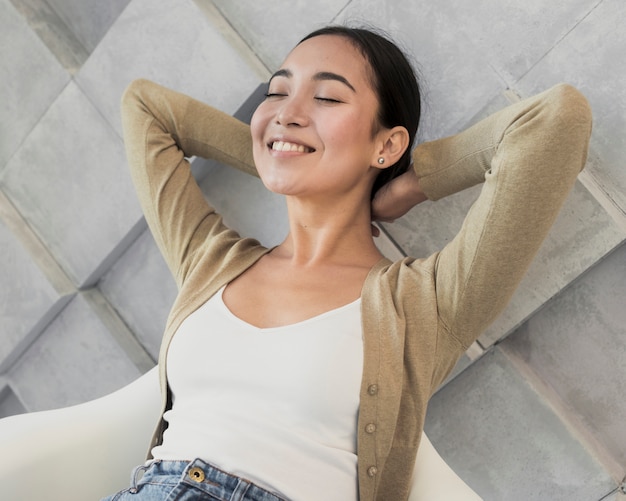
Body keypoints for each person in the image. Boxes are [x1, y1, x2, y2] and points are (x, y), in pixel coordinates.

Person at [105, 25, 592, 501]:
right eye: (277, 93)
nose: (287, 112)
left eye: (328, 99)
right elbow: (145, 108)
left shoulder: (427, 303)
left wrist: (408, 184)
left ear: (387, 145)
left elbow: (556, 118)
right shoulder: (209, 260)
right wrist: (283, 153)